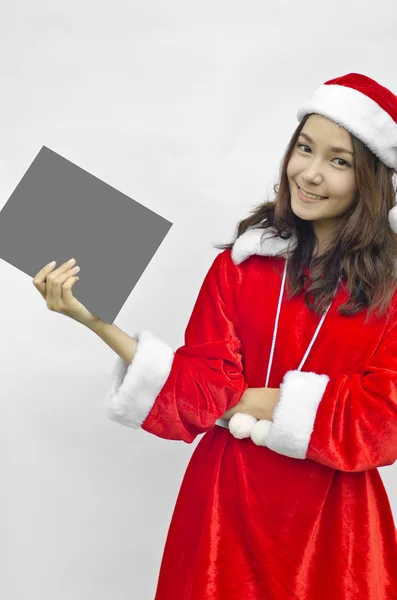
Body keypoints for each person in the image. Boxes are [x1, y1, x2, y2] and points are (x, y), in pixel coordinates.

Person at [33, 73, 397, 598]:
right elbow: (202, 391)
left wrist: (252, 401)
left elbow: (383, 417)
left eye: (339, 161)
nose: (311, 174)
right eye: (304, 149)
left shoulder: (390, 289)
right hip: (226, 505)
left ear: (373, 180)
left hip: (333, 524)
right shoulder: (241, 265)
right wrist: (96, 321)